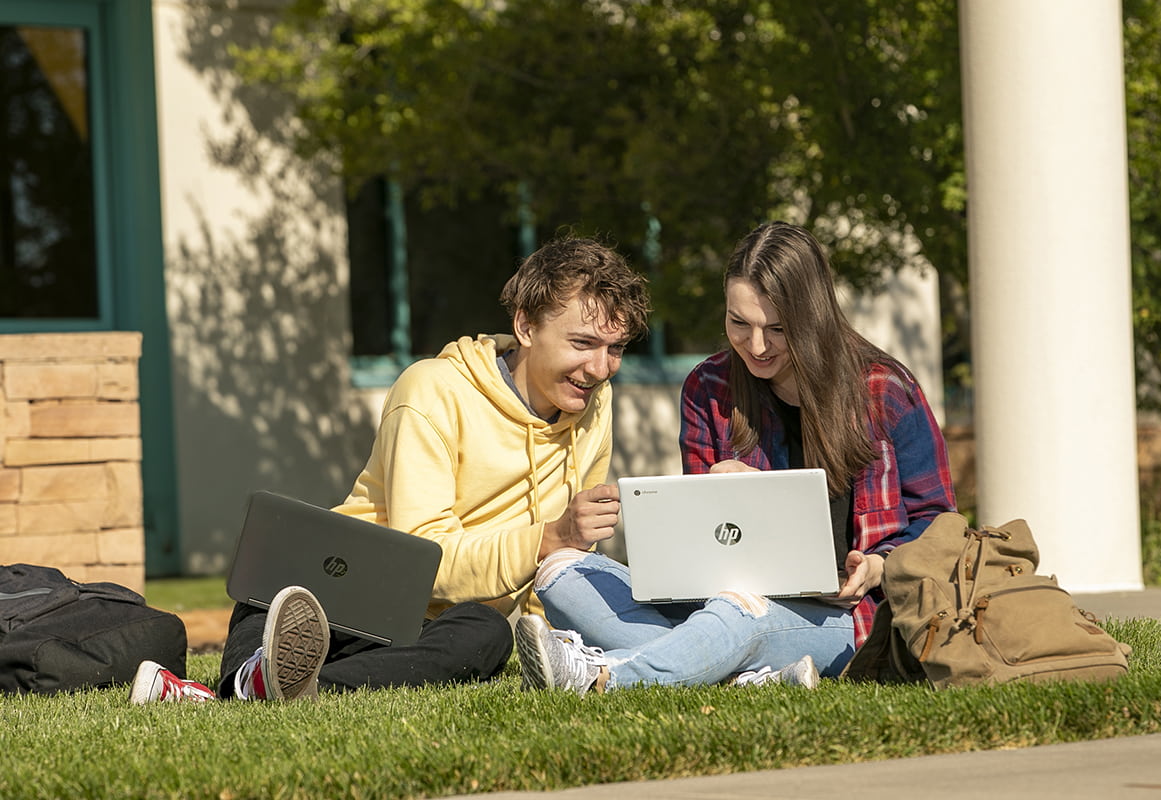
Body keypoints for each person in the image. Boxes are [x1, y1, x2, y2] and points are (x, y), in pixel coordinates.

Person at [130, 236, 652, 703]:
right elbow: (423, 562)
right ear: (525, 326)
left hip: (436, 626)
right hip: (330, 592)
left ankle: (259, 689)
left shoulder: (592, 405)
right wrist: (550, 537)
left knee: (486, 632)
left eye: (616, 349)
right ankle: (259, 674)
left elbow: (560, 562)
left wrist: (552, 642)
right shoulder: (431, 390)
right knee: (289, 593)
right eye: (583, 343)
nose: (601, 368)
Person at [515, 220, 956, 694]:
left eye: (779, 329)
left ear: (814, 318)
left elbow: (940, 523)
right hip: (719, 603)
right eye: (739, 324)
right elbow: (708, 551)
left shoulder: (883, 390)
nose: (757, 345)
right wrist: (727, 499)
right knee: (562, 573)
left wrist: (876, 567)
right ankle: (747, 675)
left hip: (850, 618)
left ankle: (601, 676)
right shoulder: (709, 389)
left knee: (738, 611)